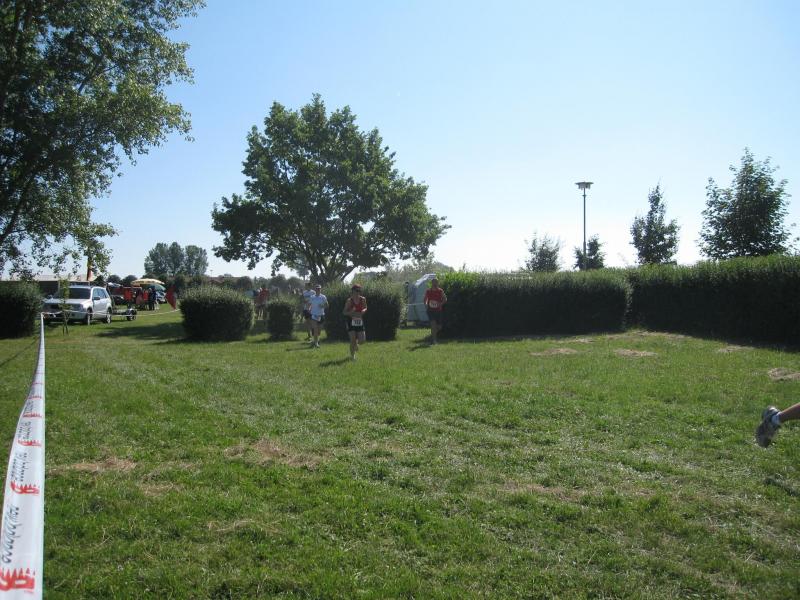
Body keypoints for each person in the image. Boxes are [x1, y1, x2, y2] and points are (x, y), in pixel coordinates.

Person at [343, 284, 367, 361]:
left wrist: (363, 310)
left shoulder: (363, 299)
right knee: (352, 340)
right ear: (353, 291)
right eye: (357, 290)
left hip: (359, 321)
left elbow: (365, 307)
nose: (358, 292)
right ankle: (352, 357)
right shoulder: (349, 301)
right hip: (350, 321)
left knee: (362, 341)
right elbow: (344, 312)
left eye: (359, 290)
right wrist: (351, 312)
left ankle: (356, 344)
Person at [423, 277, 447, 345]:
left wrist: (440, 304)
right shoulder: (428, 291)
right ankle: (434, 340)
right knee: (433, 325)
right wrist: (426, 305)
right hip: (430, 310)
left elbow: (445, 299)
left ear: (438, 283)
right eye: (434, 282)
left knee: (439, 327)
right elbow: (425, 299)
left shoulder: (440, 291)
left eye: (436, 282)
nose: (435, 283)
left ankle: (432, 336)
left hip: (438, 310)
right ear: (432, 283)